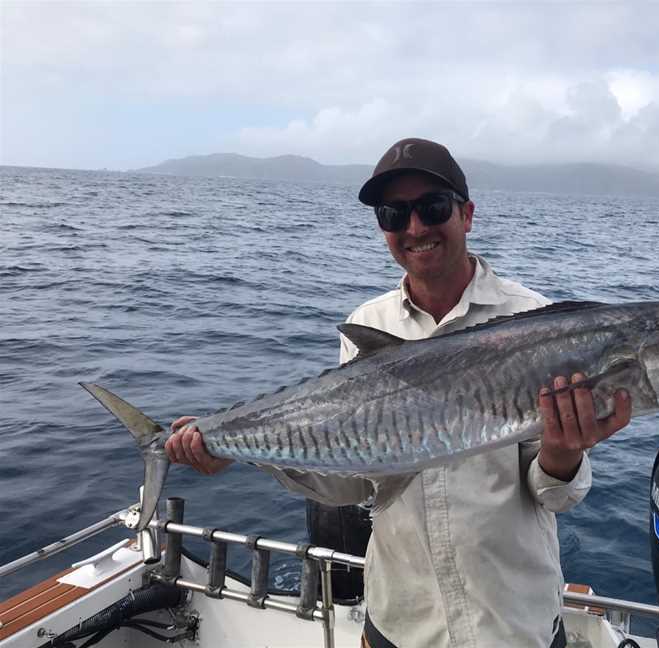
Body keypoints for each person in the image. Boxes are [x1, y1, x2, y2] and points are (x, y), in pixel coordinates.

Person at [166, 138, 632, 648]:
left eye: (432, 208)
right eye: (394, 214)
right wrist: (238, 450)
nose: (415, 228)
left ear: (467, 214)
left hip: (513, 625)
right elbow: (357, 484)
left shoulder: (538, 325)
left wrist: (563, 452)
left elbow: (555, 496)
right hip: (402, 623)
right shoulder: (369, 326)